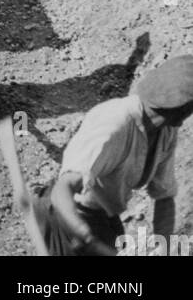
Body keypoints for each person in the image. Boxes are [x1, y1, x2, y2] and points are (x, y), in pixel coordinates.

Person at [32, 55, 193, 256]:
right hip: (68, 217)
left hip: (103, 219)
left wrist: (165, 249)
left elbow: (164, 197)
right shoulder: (115, 123)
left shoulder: (166, 131)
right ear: (182, 105)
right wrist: (85, 236)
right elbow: (62, 189)